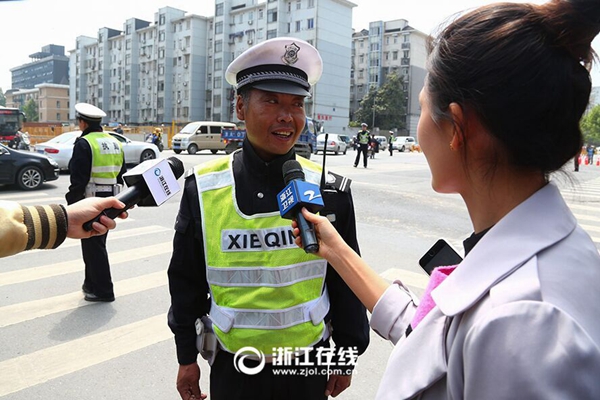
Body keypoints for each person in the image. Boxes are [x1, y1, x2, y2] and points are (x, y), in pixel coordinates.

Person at [292, 0, 600, 398]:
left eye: (422, 107)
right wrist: (335, 249)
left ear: (456, 127)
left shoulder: (520, 324)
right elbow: (431, 332)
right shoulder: (539, 266)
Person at [167, 37, 369, 400]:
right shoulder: (205, 188)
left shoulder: (328, 189)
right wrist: (186, 356)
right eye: (272, 101)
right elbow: (186, 281)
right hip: (234, 367)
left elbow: (347, 279)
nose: (287, 116)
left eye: (297, 104)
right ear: (240, 107)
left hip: (307, 365)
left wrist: (346, 355)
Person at [66, 103, 127, 303]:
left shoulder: (84, 143)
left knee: (94, 246)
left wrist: (72, 205)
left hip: (90, 201)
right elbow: (122, 174)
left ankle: (104, 291)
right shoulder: (115, 142)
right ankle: (90, 284)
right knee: (95, 244)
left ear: (82, 123)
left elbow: (78, 180)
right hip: (110, 201)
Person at [0, 197, 127, 258]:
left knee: (95, 251)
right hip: (102, 199)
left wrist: (66, 216)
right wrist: (64, 217)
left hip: (93, 202)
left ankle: (100, 290)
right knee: (96, 250)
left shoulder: (85, 147)